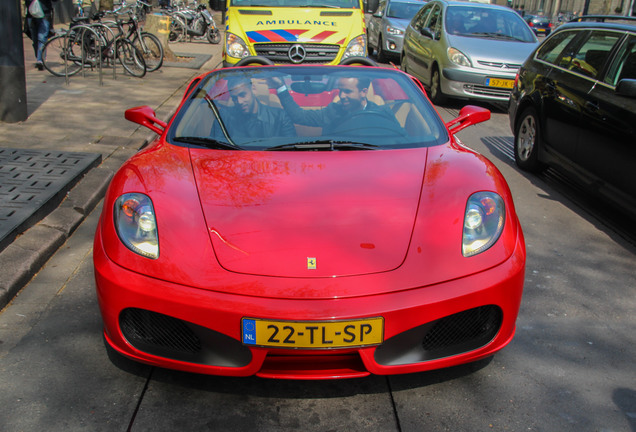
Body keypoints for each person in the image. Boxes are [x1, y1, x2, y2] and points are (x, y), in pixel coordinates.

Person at [269, 75, 399, 134]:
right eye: (341, 90)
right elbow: (299, 116)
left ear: (363, 92)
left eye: (347, 91)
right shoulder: (333, 111)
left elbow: (401, 139)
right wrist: (280, 87)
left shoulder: (382, 114)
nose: (342, 96)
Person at [218, 77, 296, 140]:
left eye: (242, 95)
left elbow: (290, 152)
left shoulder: (280, 117)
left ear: (253, 89)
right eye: (234, 98)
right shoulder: (225, 117)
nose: (239, 101)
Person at [25, 0, 58, 70]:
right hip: (31, 14)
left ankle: (40, 60)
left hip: (44, 14)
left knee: (41, 38)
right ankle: (39, 57)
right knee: (35, 39)